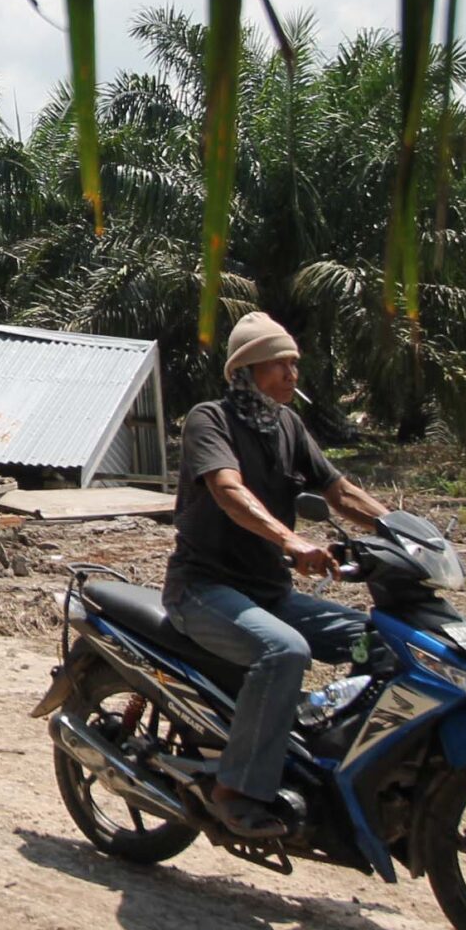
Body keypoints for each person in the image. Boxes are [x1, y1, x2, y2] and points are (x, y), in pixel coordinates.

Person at [163, 311, 389, 839]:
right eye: (279, 364)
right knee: (285, 651)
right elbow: (227, 490)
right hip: (204, 590)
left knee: (378, 642)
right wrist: (291, 540)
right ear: (246, 371)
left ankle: (335, 763)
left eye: (293, 363)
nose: (292, 373)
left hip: (269, 593)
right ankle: (237, 790)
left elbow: (339, 490)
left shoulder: (287, 424)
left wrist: (401, 530)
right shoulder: (209, 419)